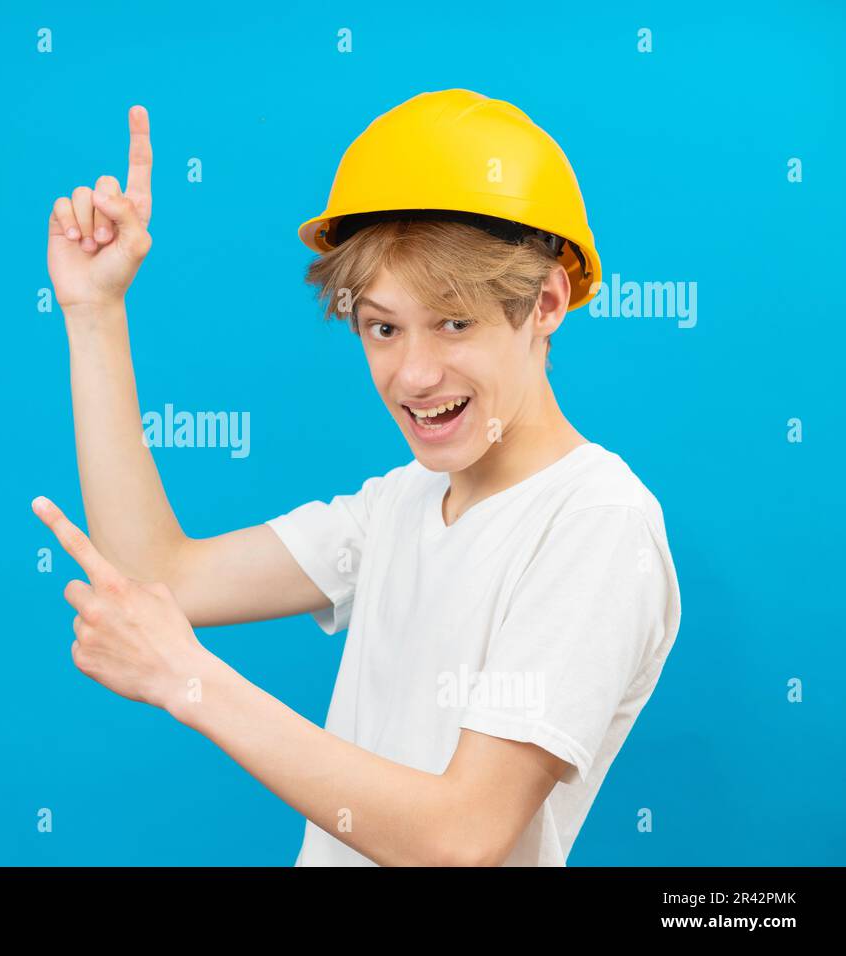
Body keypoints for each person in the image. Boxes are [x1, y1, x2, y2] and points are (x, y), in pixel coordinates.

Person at [36, 89, 682, 866]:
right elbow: (158, 576)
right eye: (382, 327)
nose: (412, 373)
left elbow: (462, 835)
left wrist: (190, 681)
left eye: (454, 322)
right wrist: (95, 311)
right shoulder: (400, 505)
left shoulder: (596, 523)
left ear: (545, 302)